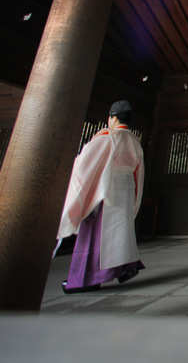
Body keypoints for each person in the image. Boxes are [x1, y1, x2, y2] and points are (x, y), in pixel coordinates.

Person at [57, 100, 145, 293]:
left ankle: (85, 279)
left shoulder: (106, 138)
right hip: (126, 189)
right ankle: (124, 267)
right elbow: (139, 172)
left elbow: (83, 167)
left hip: (105, 191)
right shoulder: (134, 141)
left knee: (94, 235)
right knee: (121, 233)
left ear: (112, 118)